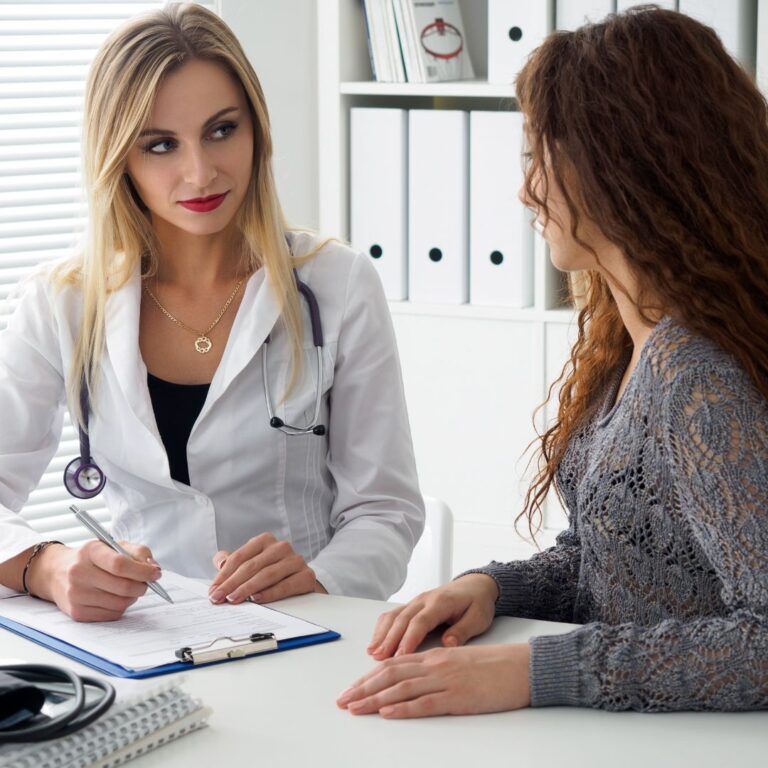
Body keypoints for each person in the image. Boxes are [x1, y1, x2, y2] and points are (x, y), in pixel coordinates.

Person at [337, 5, 768, 716]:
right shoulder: (630, 340)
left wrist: (535, 671)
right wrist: (494, 588)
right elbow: (618, 555)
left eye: (541, 157)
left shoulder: (697, 377)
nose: (524, 189)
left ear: (621, 168)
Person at [0, 3, 424, 621]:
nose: (200, 172)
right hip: (141, 635)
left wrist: (320, 577)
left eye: (222, 130)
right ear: (119, 158)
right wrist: (47, 565)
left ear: (257, 130)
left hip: (300, 631)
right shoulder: (62, 302)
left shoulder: (336, 285)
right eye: (161, 144)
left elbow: (385, 513)